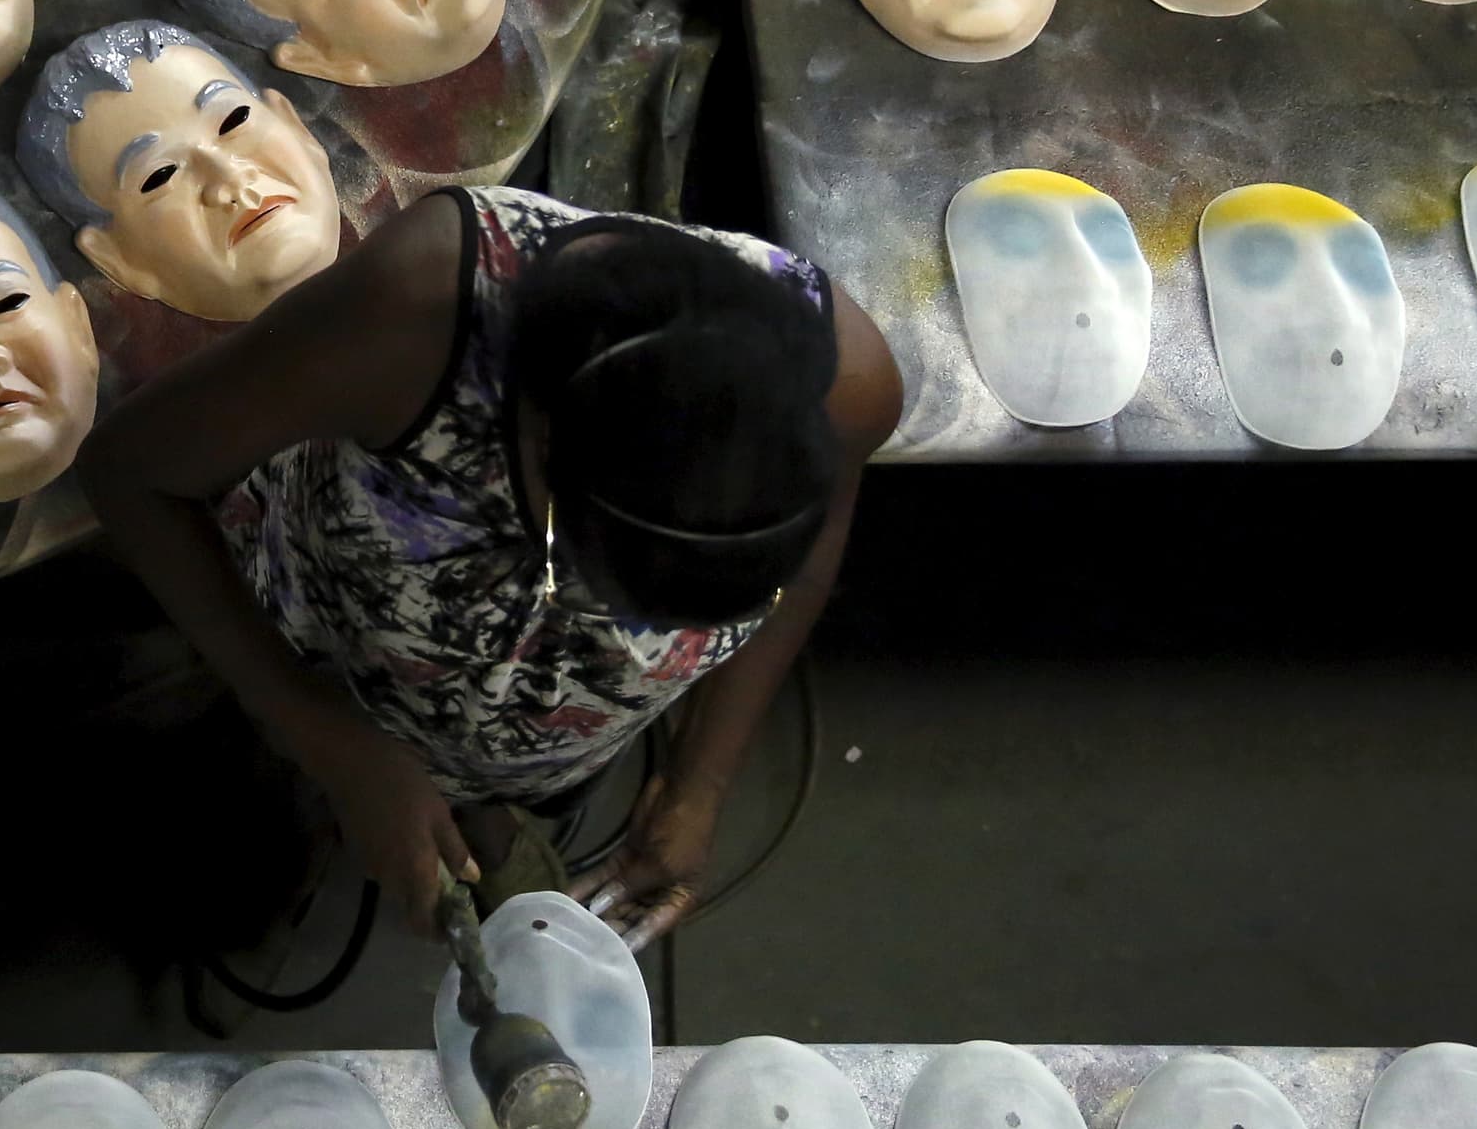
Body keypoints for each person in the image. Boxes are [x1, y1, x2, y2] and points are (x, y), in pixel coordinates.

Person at [82, 186, 896, 943]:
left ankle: (485, 805)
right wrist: (330, 743)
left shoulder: (846, 383)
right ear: (535, 444)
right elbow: (129, 474)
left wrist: (698, 785)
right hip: (321, 654)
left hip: (543, 748)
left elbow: (806, 576)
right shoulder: (417, 313)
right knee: (235, 798)